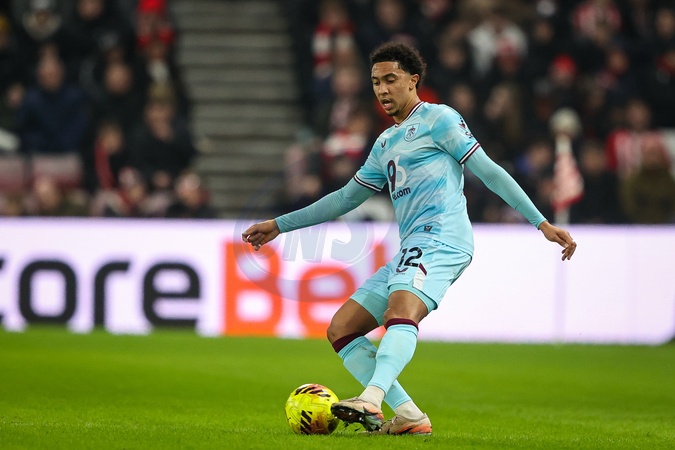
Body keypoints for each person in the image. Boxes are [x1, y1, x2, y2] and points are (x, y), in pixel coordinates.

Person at [242, 42, 577, 435]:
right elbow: (345, 199)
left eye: (391, 79)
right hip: (412, 247)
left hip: (444, 238)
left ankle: (371, 397)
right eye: (375, 82)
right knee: (342, 328)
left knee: (399, 312)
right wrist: (280, 225)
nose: (382, 90)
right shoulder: (385, 142)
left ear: (413, 81)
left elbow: (488, 171)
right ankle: (409, 415)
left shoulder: (439, 119)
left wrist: (541, 222)